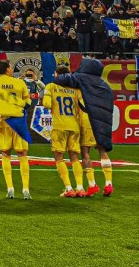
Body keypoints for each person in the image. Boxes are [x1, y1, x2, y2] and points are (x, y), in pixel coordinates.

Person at [52, 58, 115, 196]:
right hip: (103, 122)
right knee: (102, 151)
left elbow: (60, 79)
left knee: (85, 153)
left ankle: (92, 185)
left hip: (87, 119)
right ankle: (109, 183)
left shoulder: (81, 78)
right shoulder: (106, 85)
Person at [0, 60, 32, 200]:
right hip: (18, 121)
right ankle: (25, 189)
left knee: (5, 154)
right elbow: (28, 103)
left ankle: (10, 188)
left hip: (3, 121)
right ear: (8, 69)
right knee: (22, 154)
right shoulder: (20, 83)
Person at [42, 66, 86, 197]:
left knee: (59, 157)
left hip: (59, 126)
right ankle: (80, 188)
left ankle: (68, 188)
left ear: (57, 74)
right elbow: (82, 107)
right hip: (74, 126)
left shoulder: (50, 86)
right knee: (74, 157)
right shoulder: (76, 89)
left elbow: (46, 104)